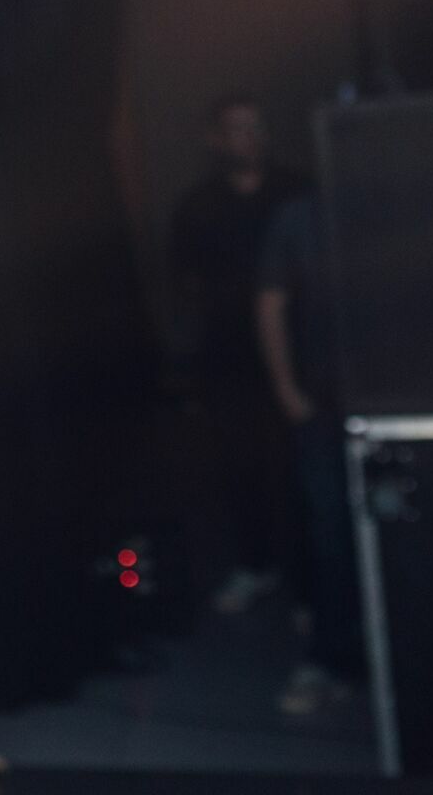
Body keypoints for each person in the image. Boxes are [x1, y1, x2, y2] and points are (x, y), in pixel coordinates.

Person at [167, 97, 309, 615]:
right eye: (237, 129)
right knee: (239, 467)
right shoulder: (197, 208)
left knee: (302, 469)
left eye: (256, 127)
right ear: (216, 139)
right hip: (228, 359)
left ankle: (312, 587)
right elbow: (184, 287)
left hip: (297, 354)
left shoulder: (297, 194)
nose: (249, 137)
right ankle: (255, 565)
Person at [255, 195, 362, 714]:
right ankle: (331, 659)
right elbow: (270, 302)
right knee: (330, 532)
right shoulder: (301, 214)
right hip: (325, 402)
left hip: (392, 397)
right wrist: (286, 390)